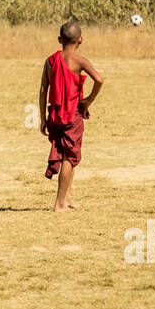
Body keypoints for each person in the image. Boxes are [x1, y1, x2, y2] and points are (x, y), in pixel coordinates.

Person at [37, 21, 102, 211]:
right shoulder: (80, 61)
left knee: (69, 154)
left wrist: (42, 118)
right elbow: (99, 79)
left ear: (59, 40)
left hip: (55, 114)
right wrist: (89, 100)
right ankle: (59, 203)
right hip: (72, 115)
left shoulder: (50, 61)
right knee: (70, 156)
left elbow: (43, 90)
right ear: (80, 39)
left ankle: (67, 198)